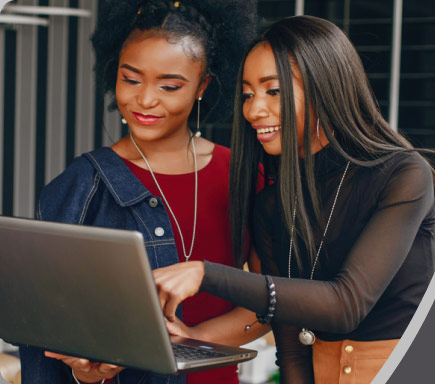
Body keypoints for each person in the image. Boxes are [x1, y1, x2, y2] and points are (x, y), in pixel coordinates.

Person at [153, 15, 435, 383]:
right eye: (247, 94)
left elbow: (346, 304)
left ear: (325, 87)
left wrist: (205, 274)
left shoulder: (402, 174)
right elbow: (291, 347)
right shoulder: (272, 205)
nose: (253, 109)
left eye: (272, 91)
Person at [19, 1, 265, 383]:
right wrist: (87, 372)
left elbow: (267, 303)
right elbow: (57, 322)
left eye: (169, 86)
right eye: (130, 79)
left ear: (203, 86)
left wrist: (191, 342)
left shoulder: (243, 174)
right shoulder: (83, 184)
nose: (145, 100)